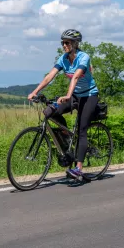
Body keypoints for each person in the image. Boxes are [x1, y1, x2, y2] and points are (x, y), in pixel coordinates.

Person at [28, 29, 99, 180]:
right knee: (49, 112)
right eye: (63, 43)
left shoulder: (83, 57)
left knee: (82, 129)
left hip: (89, 96)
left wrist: (67, 95)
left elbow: (76, 77)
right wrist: (34, 92)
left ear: (75, 43)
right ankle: (66, 137)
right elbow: (49, 76)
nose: (64, 45)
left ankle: (79, 168)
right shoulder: (63, 59)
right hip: (74, 95)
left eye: (67, 42)